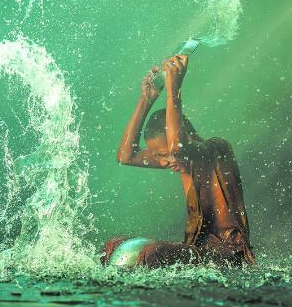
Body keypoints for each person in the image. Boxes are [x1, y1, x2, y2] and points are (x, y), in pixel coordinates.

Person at [102, 55, 256, 268]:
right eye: (160, 157)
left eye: (167, 155)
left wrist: (174, 90)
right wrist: (145, 100)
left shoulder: (216, 150)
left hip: (227, 255)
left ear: (187, 137)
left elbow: (177, 148)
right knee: (112, 245)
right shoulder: (179, 159)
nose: (165, 162)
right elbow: (126, 156)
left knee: (150, 252)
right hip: (197, 251)